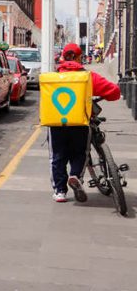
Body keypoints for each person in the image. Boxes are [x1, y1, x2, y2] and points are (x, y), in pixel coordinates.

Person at [48, 42, 120, 203]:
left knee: (57, 157)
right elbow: (114, 92)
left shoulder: (53, 77)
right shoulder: (88, 77)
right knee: (80, 152)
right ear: (80, 58)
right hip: (80, 122)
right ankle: (75, 176)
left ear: (62, 57)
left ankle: (60, 191)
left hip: (57, 122)